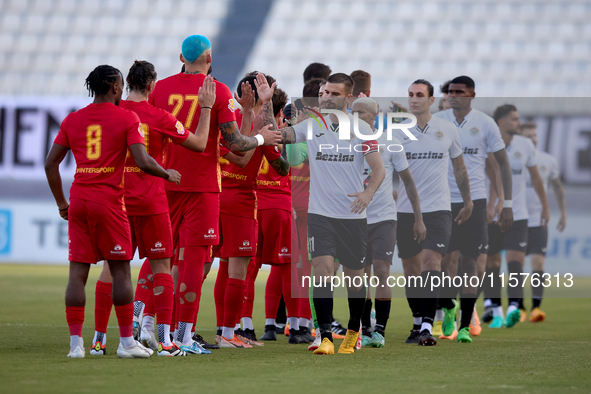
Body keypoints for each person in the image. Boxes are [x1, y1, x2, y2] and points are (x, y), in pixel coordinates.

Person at [147, 35, 280, 352]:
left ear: (181, 56)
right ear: (209, 58)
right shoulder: (217, 91)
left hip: (163, 182)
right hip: (203, 187)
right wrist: (260, 135)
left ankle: (149, 326)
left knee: (163, 260)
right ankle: (184, 335)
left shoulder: (159, 89)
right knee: (195, 262)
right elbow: (239, 149)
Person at [45, 64, 180, 358]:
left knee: (77, 273)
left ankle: (77, 345)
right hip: (109, 201)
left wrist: (61, 204)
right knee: (120, 271)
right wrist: (166, 173)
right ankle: (127, 343)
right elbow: (143, 161)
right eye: (119, 85)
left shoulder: (73, 119)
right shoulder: (126, 117)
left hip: (78, 199)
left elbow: (50, 164)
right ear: (115, 87)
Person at [89, 60, 217, 356]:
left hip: (117, 200)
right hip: (151, 201)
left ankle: (98, 341)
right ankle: (164, 340)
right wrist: (206, 107)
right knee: (162, 266)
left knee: (111, 267)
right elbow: (199, 144)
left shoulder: (114, 114)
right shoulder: (159, 116)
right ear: (151, 86)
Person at [260, 72, 386, 355]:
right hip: (320, 215)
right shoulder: (311, 124)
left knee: (355, 279)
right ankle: (325, 336)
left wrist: (367, 194)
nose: (327, 97)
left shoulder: (361, 129)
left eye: (335, 93)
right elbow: (281, 138)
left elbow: (379, 169)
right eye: (325, 92)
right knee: (322, 272)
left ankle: (354, 331)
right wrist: (268, 105)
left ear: (348, 98)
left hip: (352, 216)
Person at [432, 75, 513, 343]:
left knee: (470, 263)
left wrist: (504, 202)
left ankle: (465, 325)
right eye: (451, 91)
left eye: (460, 91)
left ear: (472, 95)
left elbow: (501, 164)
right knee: (444, 261)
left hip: (475, 202)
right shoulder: (438, 121)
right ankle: (447, 306)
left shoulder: (485, 123)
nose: (454, 95)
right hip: (441, 201)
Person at [213, 72, 290, 348]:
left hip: (213, 198)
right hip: (242, 201)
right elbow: (281, 166)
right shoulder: (262, 125)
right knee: (238, 272)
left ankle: (178, 330)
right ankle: (229, 334)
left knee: (207, 267)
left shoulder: (223, 118)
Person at [396, 79, 472, 346]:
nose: (414, 99)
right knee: (411, 271)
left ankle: (428, 325)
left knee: (432, 263)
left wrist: (468, 201)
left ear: (431, 100)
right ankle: (418, 322)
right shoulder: (397, 132)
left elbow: (460, 169)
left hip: (439, 209)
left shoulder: (448, 130)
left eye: (419, 95)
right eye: (410, 95)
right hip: (405, 211)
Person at [352, 97, 425, 348]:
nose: (357, 116)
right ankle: (364, 326)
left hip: (383, 218)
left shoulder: (391, 143)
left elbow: (408, 182)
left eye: (362, 112)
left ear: (376, 114)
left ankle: (379, 330)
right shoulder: (344, 142)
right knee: (359, 277)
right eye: (353, 112)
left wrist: (418, 218)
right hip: (354, 218)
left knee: (382, 272)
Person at [485, 105, 550, 328]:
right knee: (492, 263)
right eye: (514, 119)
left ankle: (514, 306)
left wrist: (545, 206)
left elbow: (536, 178)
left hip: (518, 214)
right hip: (493, 213)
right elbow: (491, 176)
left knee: (516, 262)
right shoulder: (488, 142)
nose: (518, 123)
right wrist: (493, 203)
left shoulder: (525, 145)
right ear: (501, 122)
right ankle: (496, 310)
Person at [520, 122, 567, 322]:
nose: (533, 139)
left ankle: (536, 308)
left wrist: (563, 212)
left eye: (535, 135)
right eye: (528, 136)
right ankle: (519, 308)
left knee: (538, 264)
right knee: (517, 267)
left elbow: (557, 187)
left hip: (539, 221)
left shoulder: (548, 161)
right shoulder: (512, 159)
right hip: (518, 221)